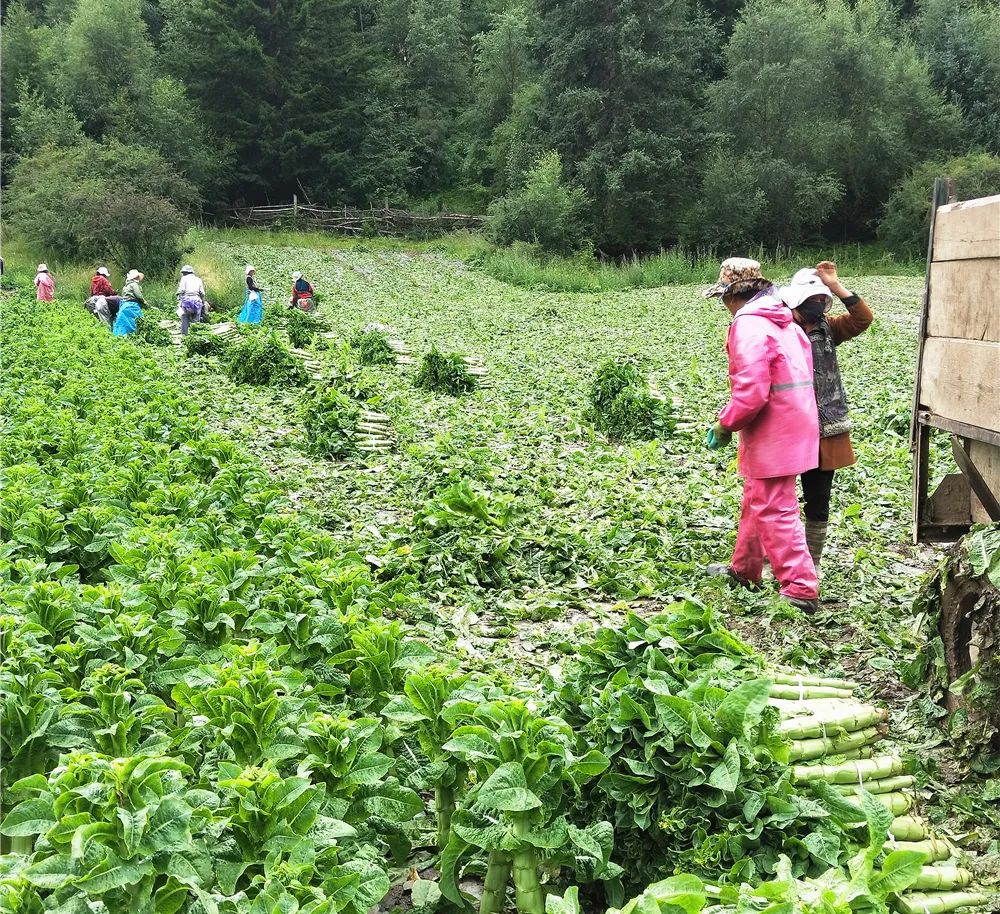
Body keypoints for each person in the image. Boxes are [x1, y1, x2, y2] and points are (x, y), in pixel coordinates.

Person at [703, 257, 820, 613]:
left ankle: (800, 587)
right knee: (757, 497)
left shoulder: (749, 326)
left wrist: (726, 423)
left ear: (732, 296)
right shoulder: (786, 321)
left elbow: (752, 390)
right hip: (798, 421)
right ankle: (744, 568)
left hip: (775, 429)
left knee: (774, 506)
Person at [779, 262, 873, 571]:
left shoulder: (828, 327)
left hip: (825, 426)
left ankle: (810, 565)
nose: (818, 305)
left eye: (822, 299)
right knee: (780, 499)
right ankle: (782, 559)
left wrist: (835, 285)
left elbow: (863, 319)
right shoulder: (780, 329)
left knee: (818, 500)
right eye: (812, 299)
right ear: (796, 300)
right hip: (788, 428)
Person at [176, 264, 206, 335]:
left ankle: (184, 336)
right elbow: (202, 293)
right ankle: (195, 335)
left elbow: (181, 290)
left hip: (187, 302)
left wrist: (177, 295)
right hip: (197, 301)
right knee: (196, 319)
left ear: (184, 273)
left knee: (185, 318)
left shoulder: (184, 278)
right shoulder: (198, 279)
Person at [113, 269, 145, 336]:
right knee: (137, 322)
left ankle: (121, 337)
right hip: (132, 306)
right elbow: (139, 296)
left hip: (124, 306)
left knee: (123, 323)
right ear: (136, 277)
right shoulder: (134, 284)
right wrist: (145, 303)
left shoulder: (126, 286)